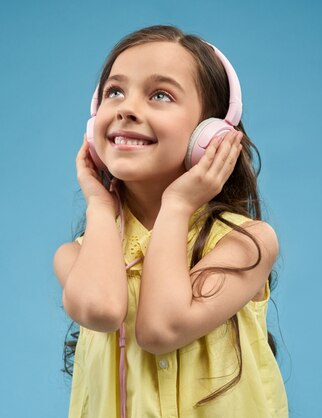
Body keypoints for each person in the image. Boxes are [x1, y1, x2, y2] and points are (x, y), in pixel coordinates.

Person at [53, 25, 288, 417]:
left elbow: (161, 329)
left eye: (160, 95)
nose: (126, 108)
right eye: (115, 92)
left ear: (210, 135)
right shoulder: (75, 256)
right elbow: (101, 309)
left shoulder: (247, 242)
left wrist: (177, 205)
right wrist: (99, 204)